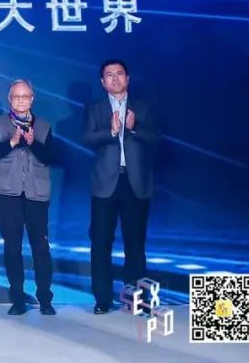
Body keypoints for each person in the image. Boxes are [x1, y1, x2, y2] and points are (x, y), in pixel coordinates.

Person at [84, 59, 161, 314]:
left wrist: (134, 127)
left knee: (135, 244)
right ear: (102, 81)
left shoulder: (143, 107)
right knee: (101, 243)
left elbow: (155, 138)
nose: (115, 78)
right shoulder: (95, 108)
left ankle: (137, 301)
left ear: (127, 78)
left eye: (119, 74)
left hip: (135, 183)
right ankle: (102, 300)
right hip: (105, 184)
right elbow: (87, 138)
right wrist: (111, 131)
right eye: (109, 75)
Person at [0, 80, 57, 315]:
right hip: (8, 194)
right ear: (10, 99)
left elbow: (51, 157)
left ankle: (45, 299)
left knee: (41, 248)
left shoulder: (44, 126)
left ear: (32, 99)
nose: (21, 100)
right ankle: (17, 299)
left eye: (25, 96)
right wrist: (12, 142)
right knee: (12, 247)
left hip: (37, 194)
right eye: (17, 96)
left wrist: (32, 143)